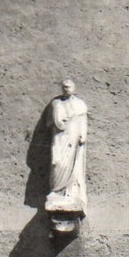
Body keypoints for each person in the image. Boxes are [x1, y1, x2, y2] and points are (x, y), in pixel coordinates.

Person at [44, 79, 88, 214]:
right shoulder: (56, 103)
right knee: (56, 162)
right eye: (64, 87)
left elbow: (83, 120)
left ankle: (70, 192)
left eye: (69, 87)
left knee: (72, 164)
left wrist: (83, 134)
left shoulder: (79, 104)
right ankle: (56, 191)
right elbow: (49, 123)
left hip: (72, 137)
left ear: (74, 88)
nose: (66, 89)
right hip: (59, 137)